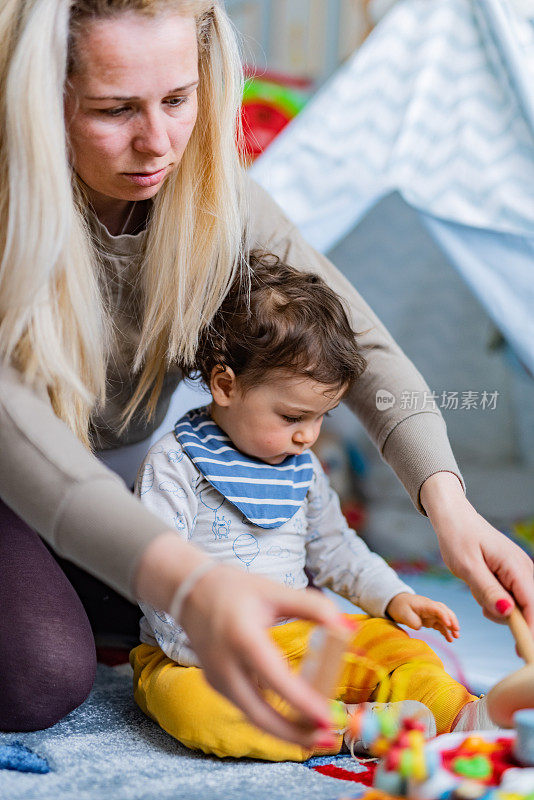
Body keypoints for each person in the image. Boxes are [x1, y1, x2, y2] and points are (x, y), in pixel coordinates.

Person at [0, 0, 531, 741]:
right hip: (13, 475)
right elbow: (22, 443)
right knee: (41, 676)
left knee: (189, 599)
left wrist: (449, 505)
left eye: (177, 101)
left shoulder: (214, 198)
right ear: (42, 104)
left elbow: (362, 346)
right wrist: (186, 585)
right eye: (115, 110)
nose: (157, 143)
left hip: (86, 481)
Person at [130, 255, 494, 761]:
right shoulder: (176, 463)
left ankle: (457, 711)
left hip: (297, 637)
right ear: (226, 385)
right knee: (190, 705)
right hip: (198, 655)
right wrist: (208, 648)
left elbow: (336, 549)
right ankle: (348, 727)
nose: (309, 436)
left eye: (323, 417)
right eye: (293, 416)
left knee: (393, 646)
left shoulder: (301, 466)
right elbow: (154, 575)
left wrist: (393, 597)